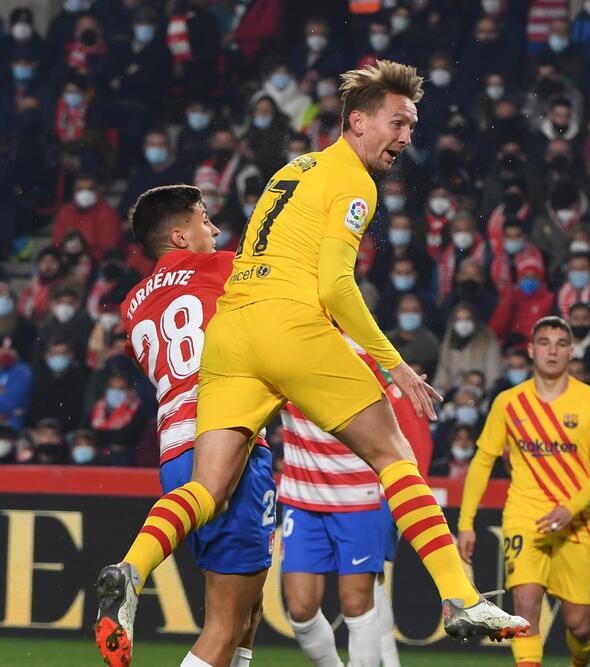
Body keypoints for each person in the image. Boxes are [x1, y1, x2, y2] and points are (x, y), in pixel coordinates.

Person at [96, 62, 529, 667]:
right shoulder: (355, 181)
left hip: (233, 337)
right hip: (289, 324)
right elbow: (334, 285)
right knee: (394, 455)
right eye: (397, 122)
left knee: (207, 487)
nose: (406, 136)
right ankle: (460, 598)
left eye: (412, 125)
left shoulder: (291, 169)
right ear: (357, 121)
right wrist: (394, 362)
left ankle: (131, 569)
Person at [93, 185, 272, 667]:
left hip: (173, 449)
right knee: (223, 626)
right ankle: (132, 572)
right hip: (227, 434)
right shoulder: (222, 266)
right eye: (204, 219)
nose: (213, 229)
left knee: (248, 609)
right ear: (179, 235)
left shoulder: (132, 304)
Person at [458, 316, 590, 667]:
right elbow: (483, 461)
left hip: (574, 524)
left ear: (571, 352)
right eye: (544, 343)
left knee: (579, 625)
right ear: (531, 350)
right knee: (525, 609)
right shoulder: (509, 402)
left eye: (561, 344)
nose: (552, 351)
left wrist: (570, 508)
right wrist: (466, 522)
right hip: (524, 518)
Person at [281, 340, 432, 667]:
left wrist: (404, 491)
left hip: (372, 493)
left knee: (365, 593)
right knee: (368, 590)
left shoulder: (367, 355)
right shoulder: (282, 344)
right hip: (312, 493)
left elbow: (412, 431)